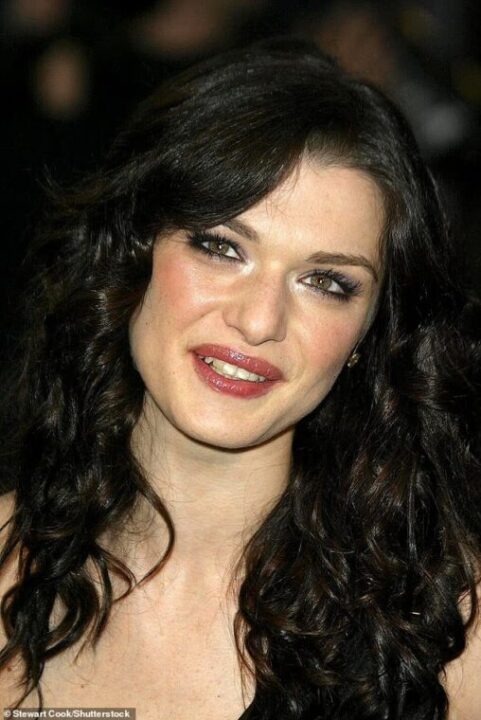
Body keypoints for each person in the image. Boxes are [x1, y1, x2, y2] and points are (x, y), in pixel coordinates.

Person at [0, 38, 480, 720]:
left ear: (370, 333)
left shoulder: (450, 627)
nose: (258, 321)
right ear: (134, 253)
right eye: (221, 247)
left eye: (325, 282)